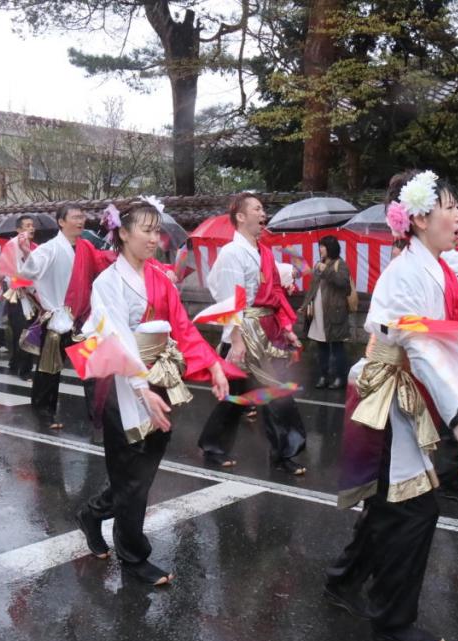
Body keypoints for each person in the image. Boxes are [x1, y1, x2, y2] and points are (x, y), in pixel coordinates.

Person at [325, 170, 458, 641]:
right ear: (418, 219)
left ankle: (343, 580)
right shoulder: (407, 272)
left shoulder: (435, 266)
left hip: (403, 392)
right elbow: (419, 349)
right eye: (450, 207)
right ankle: (392, 620)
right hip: (388, 397)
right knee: (413, 510)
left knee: (389, 506)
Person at [75, 205, 234, 585]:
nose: (153, 238)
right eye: (145, 230)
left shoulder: (160, 279)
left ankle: (94, 513)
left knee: (141, 475)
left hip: (158, 382)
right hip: (122, 386)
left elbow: (181, 326)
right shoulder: (108, 283)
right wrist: (141, 387)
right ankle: (133, 557)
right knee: (131, 475)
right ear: (123, 234)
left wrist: (212, 364)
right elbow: (114, 336)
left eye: (156, 230)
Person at [196, 193, 308, 475]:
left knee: (239, 396)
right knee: (274, 392)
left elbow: (273, 296)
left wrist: (285, 328)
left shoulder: (263, 252)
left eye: (263, 209)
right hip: (246, 331)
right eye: (257, 209)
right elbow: (231, 297)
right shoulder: (233, 252)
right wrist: (236, 339)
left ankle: (215, 446)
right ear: (240, 217)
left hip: (266, 330)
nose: (263, 214)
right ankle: (283, 453)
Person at [18, 204, 84, 430]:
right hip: (56, 316)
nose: (80, 221)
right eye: (75, 217)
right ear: (61, 222)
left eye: (82, 217)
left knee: (91, 366)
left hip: (80, 316)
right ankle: (43, 408)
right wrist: (28, 253)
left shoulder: (85, 248)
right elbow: (30, 270)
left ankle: (97, 415)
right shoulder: (51, 248)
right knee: (50, 368)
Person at [300, 234, 351, 390]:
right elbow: (313, 288)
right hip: (318, 313)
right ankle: (323, 376)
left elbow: (343, 283)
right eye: (320, 246)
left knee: (337, 347)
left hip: (334, 313)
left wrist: (327, 270)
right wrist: (304, 305)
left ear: (330, 248)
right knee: (321, 347)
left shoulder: (340, 264)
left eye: (323, 246)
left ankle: (339, 377)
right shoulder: (318, 265)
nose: (320, 249)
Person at [4, 216, 38, 379]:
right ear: (18, 230)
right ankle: (23, 368)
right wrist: (22, 281)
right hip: (16, 296)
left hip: (33, 297)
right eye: (27, 226)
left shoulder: (36, 248)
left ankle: (18, 363)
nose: (31, 228)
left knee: (29, 331)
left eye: (32, 226)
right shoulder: (11, 247)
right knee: (21, 331)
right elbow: (8, 272)